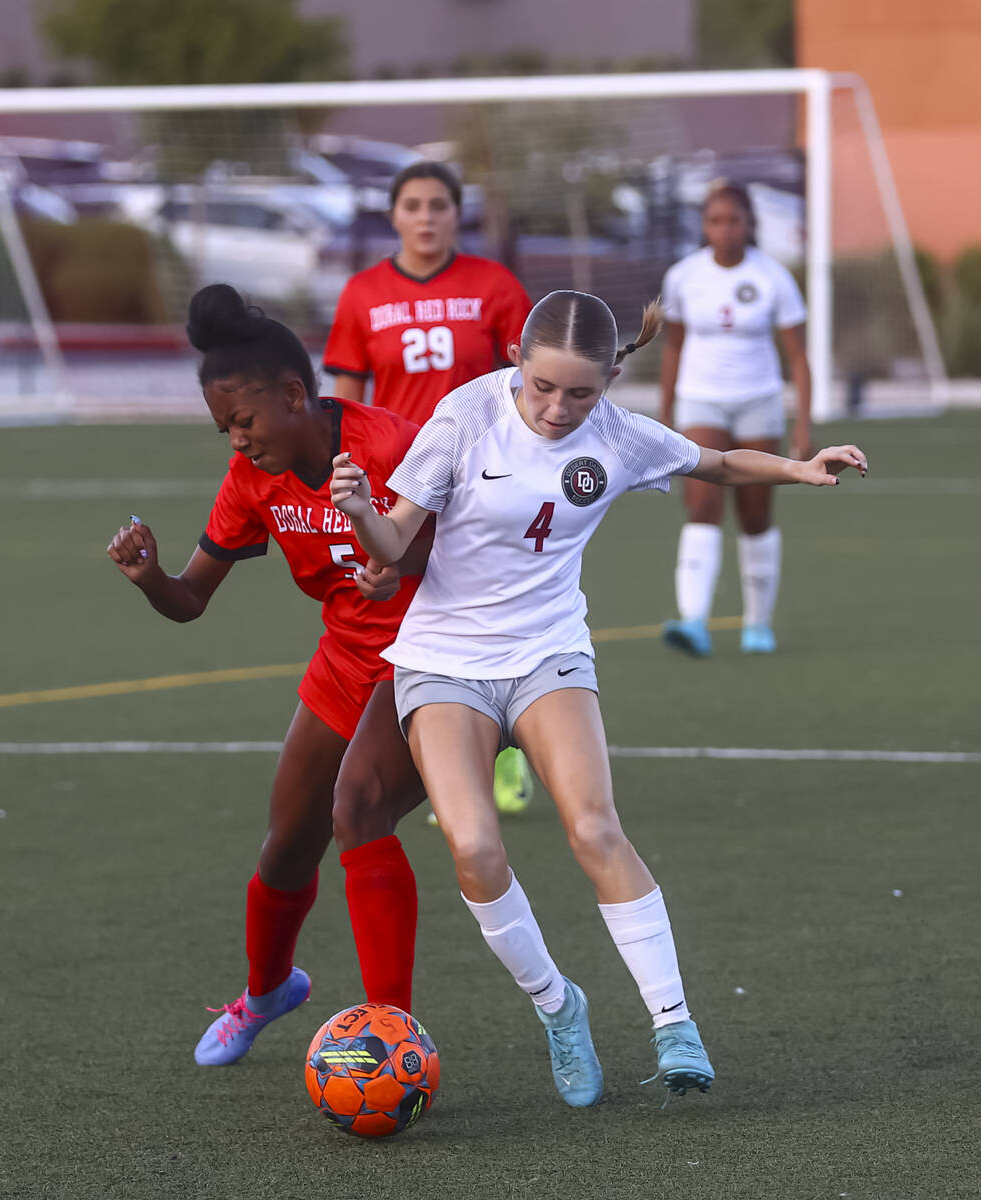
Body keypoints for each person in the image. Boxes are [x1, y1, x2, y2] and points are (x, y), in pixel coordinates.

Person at [328, 289, 867, 1106]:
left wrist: (799, 466)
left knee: (594, 826)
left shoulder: (620, 435)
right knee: (473, 845)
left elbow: (714, 463)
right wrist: (365, 514)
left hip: (549, 653)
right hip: (444, 661)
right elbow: (395, 542)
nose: (557, 408)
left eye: (581, 392)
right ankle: (558, 1005)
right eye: (544, 387)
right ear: (516, 357)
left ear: (612, 376)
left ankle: (674, 1025)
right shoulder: (464, 417)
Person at [107, 283, 430, 1067]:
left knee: (357, 809)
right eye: (224, 428)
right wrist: (150, 576)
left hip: (432, 660)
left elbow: (470, 548)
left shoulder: (394, 444)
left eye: (243, 422)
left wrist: (402, 562)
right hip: (345, 662)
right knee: (287, 848)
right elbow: (190, 599)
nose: (237, 442)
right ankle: (268, 992)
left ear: (295, 395)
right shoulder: (251, 479)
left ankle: (393, 1039)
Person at [323, 159, 535, 815]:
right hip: (400, 482)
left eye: (438, 204)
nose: (425, 217)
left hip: (483, 475)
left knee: (490, 612)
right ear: (393, 214)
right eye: (412, 205)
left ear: (456, 213)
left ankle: (506, 751)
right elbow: (342, 403)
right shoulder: (362, 293)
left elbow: (533, 380)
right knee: (415, 617)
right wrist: (343, 479)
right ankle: (429, 755)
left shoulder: (495, 285)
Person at [659, 179, 813, 656]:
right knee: (702, 505)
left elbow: (798, 358)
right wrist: (666, 415)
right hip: (701, 400)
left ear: (749, 225)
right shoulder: (684, 276)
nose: (724, 230)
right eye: (715, 221)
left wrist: (803, 425)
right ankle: (694, 622)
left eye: (733, 220)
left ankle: (757, 624)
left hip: (757, 402)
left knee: (755, 511)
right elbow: (675, 346)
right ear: (704, 226)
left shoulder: (773, 278)